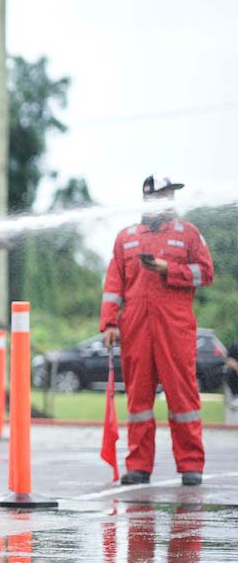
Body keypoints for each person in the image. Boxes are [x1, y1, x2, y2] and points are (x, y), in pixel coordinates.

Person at [101, 176, 214, 486]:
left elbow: (206, 273)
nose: (169, 200)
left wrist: (169, 269)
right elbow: (114, 284)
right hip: (136, 330)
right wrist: (109, 322)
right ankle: (138, 467)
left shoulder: (188, 234)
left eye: (171, 195)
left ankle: (191, 465)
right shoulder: (126, 238)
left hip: (175, 330)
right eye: (164, 195)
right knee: (138, 402)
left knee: (183, 398)